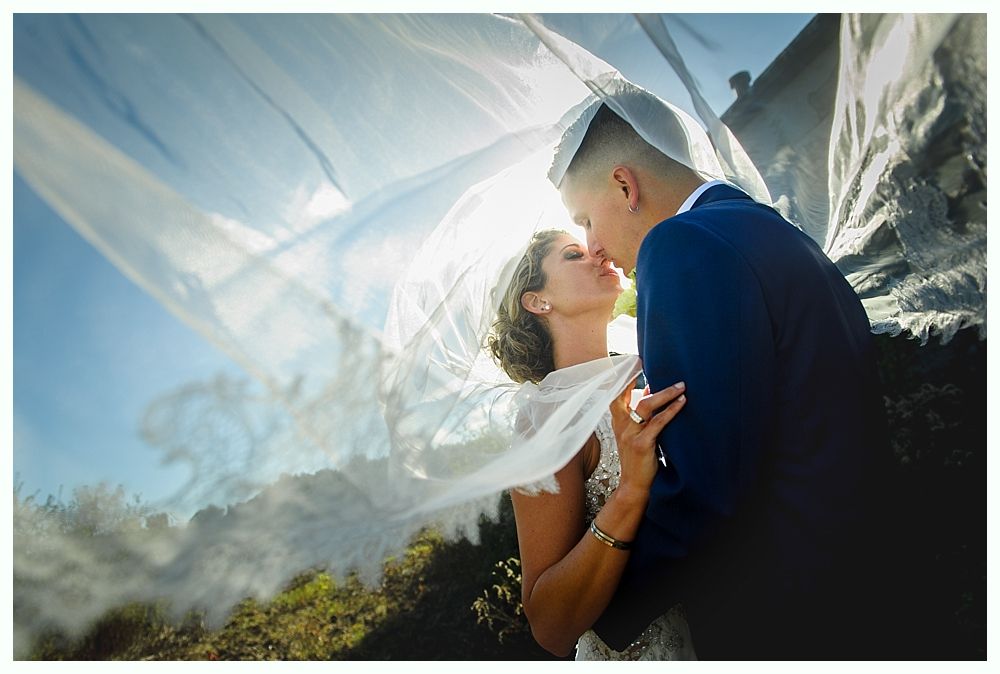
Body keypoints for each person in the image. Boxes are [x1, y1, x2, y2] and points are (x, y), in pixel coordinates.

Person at [550, 99, 898, 659]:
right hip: (865, 579)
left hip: (785, 617)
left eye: (586, 220)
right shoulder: (772, 230)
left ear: (624, 185)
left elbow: (708, 486)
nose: (593, 245)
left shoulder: (680, 244)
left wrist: (593, 617)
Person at [486, 229, 696, 660]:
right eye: (573, 255)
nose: (597, 252)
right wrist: (630, 492)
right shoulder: (544, 420)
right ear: (538, 301)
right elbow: (549, 625)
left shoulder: (648, 376)